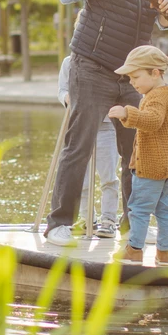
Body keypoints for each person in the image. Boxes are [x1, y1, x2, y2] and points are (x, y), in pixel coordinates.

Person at [45, 0, 168, 247]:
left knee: (138, 150)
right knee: (80, 145)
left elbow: (166, 22)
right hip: (91, 65)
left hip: (133, 77)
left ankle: (133, 223)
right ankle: (59, 223)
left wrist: (166, 9)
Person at [107, 46, 168, 266]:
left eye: (136, 76)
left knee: (139, 210)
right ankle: (164, 253)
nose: (132, 82)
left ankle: (134, 250)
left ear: (156, 72)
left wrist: (127, 113)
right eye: (130, 77)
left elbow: (153, 120)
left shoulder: (154, 97)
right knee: (166, 211)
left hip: (150, 166)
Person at [58, 49, 121, 236]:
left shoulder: (111, 60)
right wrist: (66, 97)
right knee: (82, 178)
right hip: (80, 124)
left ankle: (109, 219)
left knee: (108, 176)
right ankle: (87, 219)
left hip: (106, 126)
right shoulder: (69, 62)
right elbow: (62, 90)